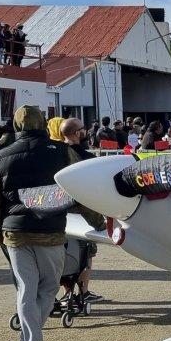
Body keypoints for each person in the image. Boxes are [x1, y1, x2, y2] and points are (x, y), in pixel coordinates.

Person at [0, 106, 105, 341]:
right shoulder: (62, 152)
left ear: (16, 126)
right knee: (48, 290)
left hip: (14, 231)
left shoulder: (1, 156)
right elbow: (79, 191)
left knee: (26, 291)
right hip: (50, 231)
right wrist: (99, 222)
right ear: (43, 124)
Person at [59, 118, 103, 303]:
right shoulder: (86, 159)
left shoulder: (55, 154)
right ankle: (83, 292)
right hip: (82, 212)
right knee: (86, 252)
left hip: (59, 212)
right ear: (77, 133)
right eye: (83, 129)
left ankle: (67, 293)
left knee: (65, 253)